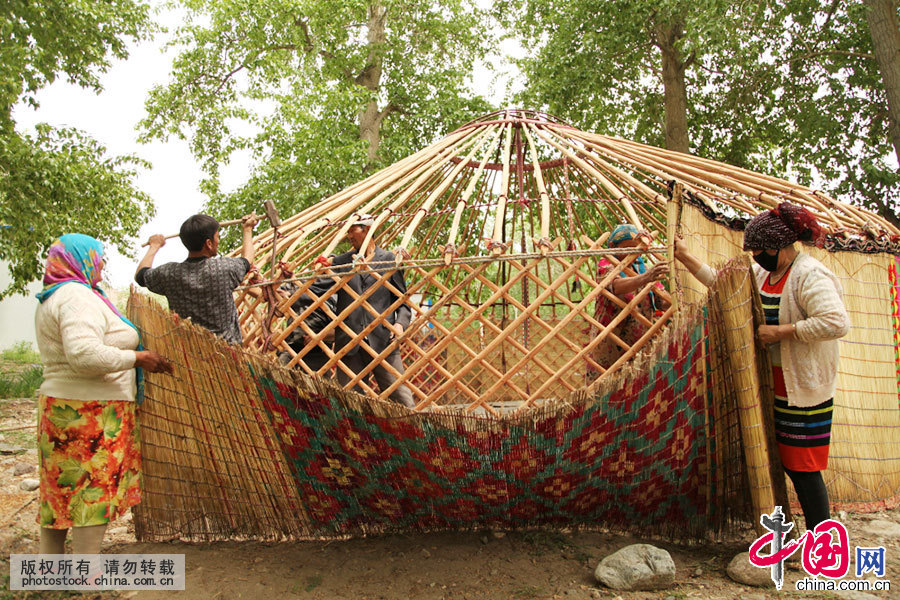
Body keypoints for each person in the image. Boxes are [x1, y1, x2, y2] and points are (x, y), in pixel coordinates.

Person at [674, 202, 850, 532]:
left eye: (760, 249)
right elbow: (726, 286)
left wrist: (783, 332)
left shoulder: (809, 275)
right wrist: (685, 257)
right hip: (772, 385)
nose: (756, 255)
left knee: (803, 466)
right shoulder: (764, 273)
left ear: (779, 246)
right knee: (782, 461)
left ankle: (823, 540)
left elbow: (837, 322)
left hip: (802, 390)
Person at [34, 234, 173, 554]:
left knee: (60, 491)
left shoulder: (55, 294)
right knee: (91, 494)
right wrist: (138, 358)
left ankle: (50, 571)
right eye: (99, 256)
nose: (103, 263)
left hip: (65, 407)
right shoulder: (75, 296)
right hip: (89, 412)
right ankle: (86, 575)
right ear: (80, 259)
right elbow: (83, 355)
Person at [328, 215, 415, 408]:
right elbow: (323, 296)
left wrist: (400, 324)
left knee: (401, 397)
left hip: (383, 340)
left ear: (367, 230)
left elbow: (402, 299)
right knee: (350, 402)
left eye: (353, 230)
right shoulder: (339, 263)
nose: (349, 235)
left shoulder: (389, 259)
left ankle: (417, 435)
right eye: (348, 231)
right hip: (349, 342)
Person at [135, 213, 258, 344]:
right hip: (226, 355)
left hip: (190, 354)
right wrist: (248, 229)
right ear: (209, 243)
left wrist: (154, 246)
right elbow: (247, 260)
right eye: (217, 237)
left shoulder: (169, 274)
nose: (218, 241)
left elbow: (141, 276)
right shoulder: (224, 268)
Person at [589, 224, 669, 370]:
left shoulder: (641, 267)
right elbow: (616, 286)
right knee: (607, 386)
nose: (632, 254)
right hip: (611, 344)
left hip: (640, 345)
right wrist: (646, 278)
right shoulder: (606, 264)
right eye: (627, 249)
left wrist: (674, 298)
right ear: (613, 246)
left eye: (635, 249)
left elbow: (661, 300)